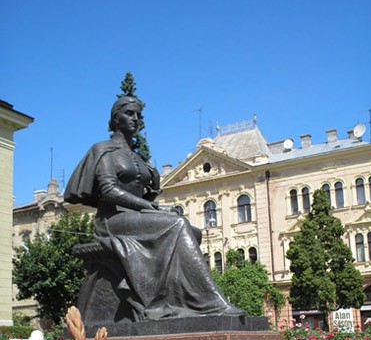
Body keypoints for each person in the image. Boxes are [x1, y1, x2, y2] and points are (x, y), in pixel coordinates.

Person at [65, 96, 243, 322]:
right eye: (129, 113)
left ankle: (177, 301)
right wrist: (149, 205)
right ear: (115, 118)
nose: (135, 119)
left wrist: (153, 192)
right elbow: (109, 190)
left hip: (134, 217)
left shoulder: (138, 158)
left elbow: (144, 195)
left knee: (191, 230)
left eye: (138, 115)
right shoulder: (103, 150)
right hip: (112, 220)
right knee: (176, 224)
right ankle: (210, 302)